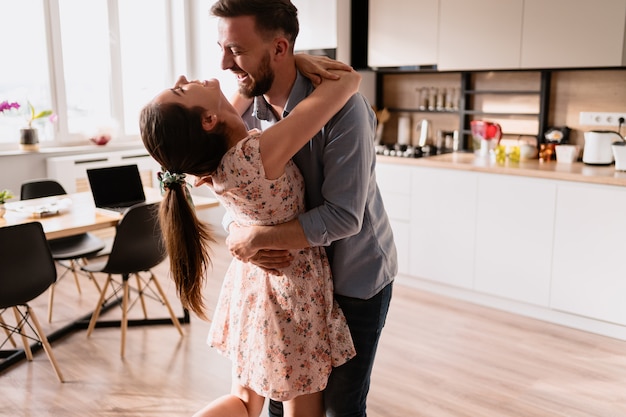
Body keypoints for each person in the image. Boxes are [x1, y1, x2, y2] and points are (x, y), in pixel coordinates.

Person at [209, 1, 398, 416]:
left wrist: (257, 238)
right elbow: (235, 190)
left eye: (236, 50)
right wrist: (239, 230)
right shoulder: (243, 114)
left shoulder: (345, 109)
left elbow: (344, 216)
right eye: (222, 48)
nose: (224, 63)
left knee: (339, 409)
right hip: (286, 283)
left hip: (353, 278)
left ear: (279, 49)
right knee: (281, 402)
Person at [140, 66, 360, 417]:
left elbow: (238, 96)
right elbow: (347, 83)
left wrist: (277, 63)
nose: (182, 79)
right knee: (302, 409)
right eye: (180, 91)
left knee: (243, 402)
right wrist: (294, 60)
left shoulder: (214, 165)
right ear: (209, 120)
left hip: (252, 286)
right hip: (291, 290)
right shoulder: (258, 155)